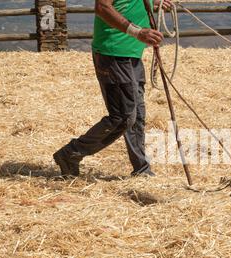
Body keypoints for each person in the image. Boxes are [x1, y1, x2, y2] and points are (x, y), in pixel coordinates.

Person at [53, 0, 172, 177]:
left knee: (137, 115)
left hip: (131, 52)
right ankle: (71, 153)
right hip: (113, 52)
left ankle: (142, 169)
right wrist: (137, 32)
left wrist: (155, 4)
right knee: (123, 117)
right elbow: (102, 7)